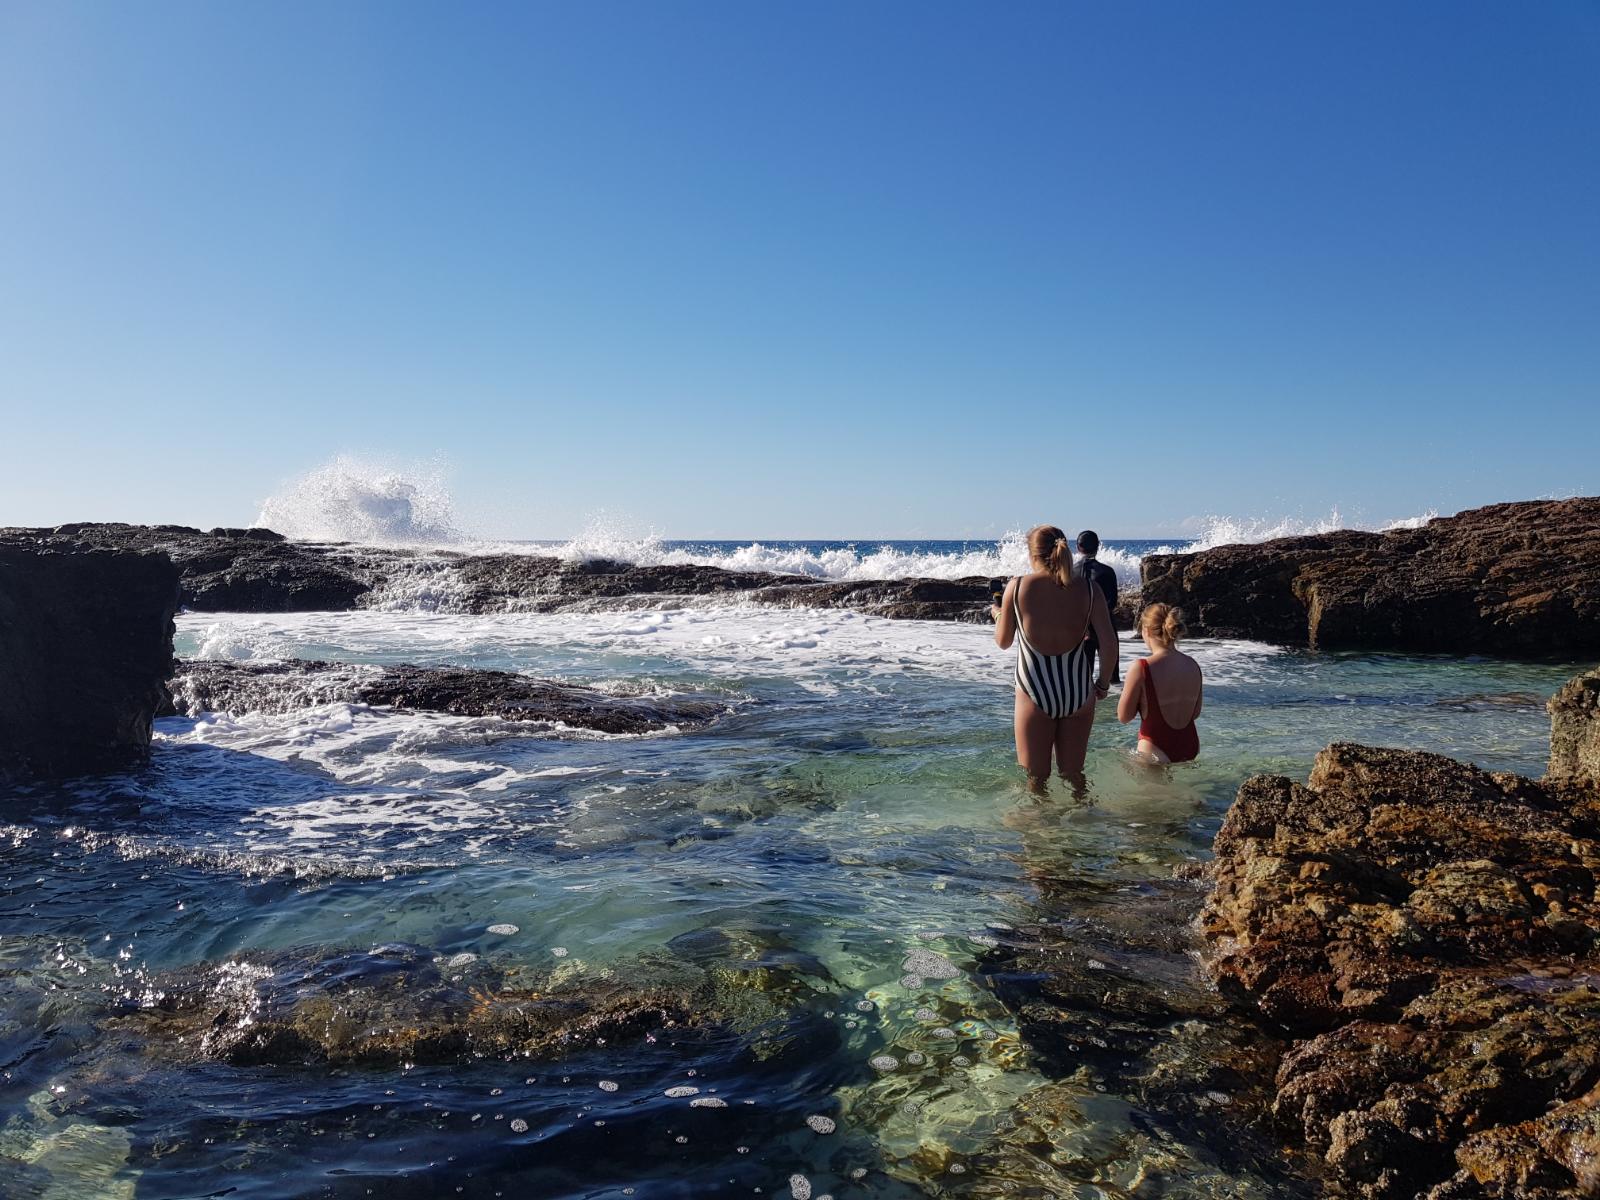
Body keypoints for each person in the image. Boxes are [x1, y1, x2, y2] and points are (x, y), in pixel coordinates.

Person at [992, 525, 1117, 789]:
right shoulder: (1089, 589)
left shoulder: (1017, 587)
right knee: (1075, 777)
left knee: (1036, 781)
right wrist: (1103, 683)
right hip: (1078, 692)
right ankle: (1086, 824)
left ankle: (1043, 831)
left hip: (1035, 691)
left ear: (1032, 554)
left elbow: (1003, 641)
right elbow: (1109, 642)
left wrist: (998, 615)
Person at [1117, 603, 1201, 763]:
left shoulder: (1141, 668)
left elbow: (1124, 717)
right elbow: (1195, 713)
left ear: (1146, 631)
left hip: (1154, 748)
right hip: (1189, 744)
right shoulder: (1192, 665)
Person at [1076, 530, 1120, 684]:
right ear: (1098, 546)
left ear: (1078, 547)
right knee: (1112, 679)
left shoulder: (1070, 572)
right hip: (1104, 627)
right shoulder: (1107, 572)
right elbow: (1112, 603)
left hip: (1079, 630)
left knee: (1082, 679)